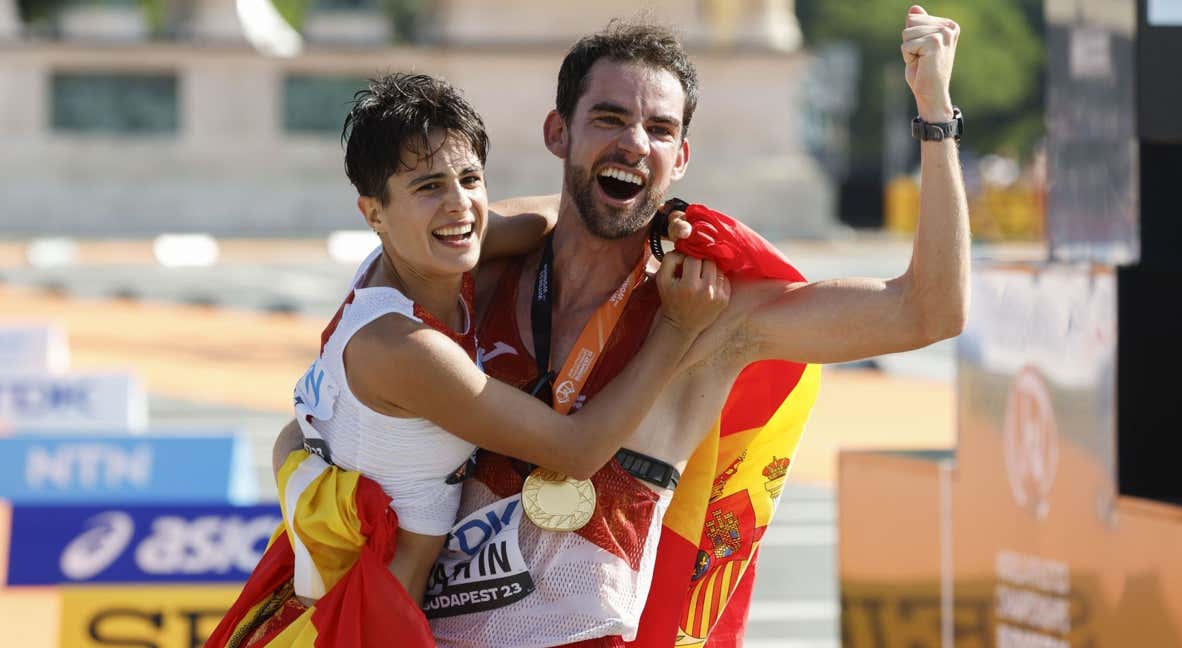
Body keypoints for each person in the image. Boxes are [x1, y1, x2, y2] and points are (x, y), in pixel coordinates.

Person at [275, 6, 967, 646]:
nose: (635, 143)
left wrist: (935, 117)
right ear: (558, 133)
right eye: (608, 119)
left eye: (660, 130)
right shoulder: (477, 274)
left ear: (681, 158)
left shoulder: (712, 309)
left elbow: (926, 311)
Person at [208, 73, 729, 648]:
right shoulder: (406, 347)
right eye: (428, 186)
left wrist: (646, 212)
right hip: (357, 629)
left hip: (368, 606)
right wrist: (677, 329)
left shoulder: (425, 262)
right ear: (373, 212)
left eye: (470, 178)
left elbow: (547, 219)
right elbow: (577, 450)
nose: (459, 205)